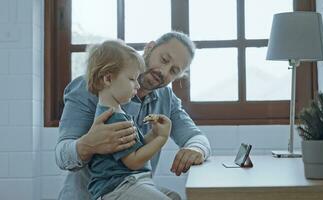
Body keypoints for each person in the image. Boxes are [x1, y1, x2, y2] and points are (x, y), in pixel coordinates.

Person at [55, 31, 211, 200]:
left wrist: (196, 149)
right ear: (150, 48)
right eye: (164, 60)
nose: (164, 72)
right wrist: (87, 145)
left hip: (134, 187)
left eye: (173, 71)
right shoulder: (93, 84)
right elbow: (61, 155)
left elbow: (196, 137)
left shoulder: (167, 99)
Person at [86, 39, 178, 200]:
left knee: (174, 197)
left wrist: (153, 134)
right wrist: (162, 138)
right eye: (131, 79)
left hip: (131, 182)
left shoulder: (118, 112)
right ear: (108, 79)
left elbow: (133, 148)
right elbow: (133, 161)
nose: (137, 85)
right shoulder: (112, 118)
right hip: (116, 187)